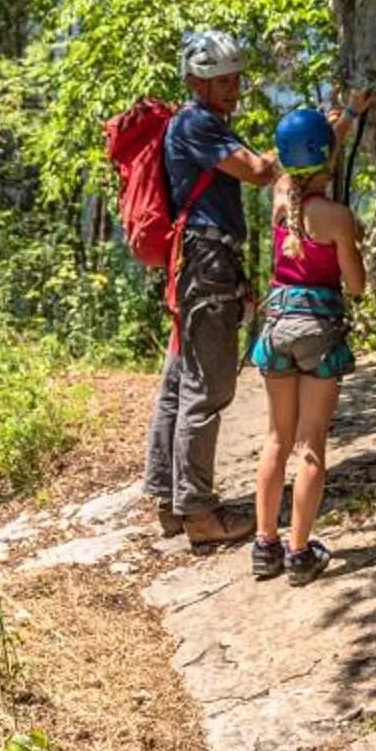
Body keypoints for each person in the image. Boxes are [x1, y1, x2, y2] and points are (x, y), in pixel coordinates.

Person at [144, 30, 277, 548]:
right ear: (195, 82)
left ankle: (170, 499)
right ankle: (199, 512)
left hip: (194, 260)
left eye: (235, 79)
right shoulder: (198, 124)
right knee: (208, 387)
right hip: (207, 261)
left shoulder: (195, 122)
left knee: (181, 379)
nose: (232, 88)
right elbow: (259, 172)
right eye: (220, 81)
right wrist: (316, 133)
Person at [249, 98, 370, 582]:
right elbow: (356, 285)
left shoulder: (281, 196)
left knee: (277, 438)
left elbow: (310, 159)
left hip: (277, 323)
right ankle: (300, 553)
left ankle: (265, 546)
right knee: (312, 444)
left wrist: (346, 119)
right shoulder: (336, 217)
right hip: (318, 328)